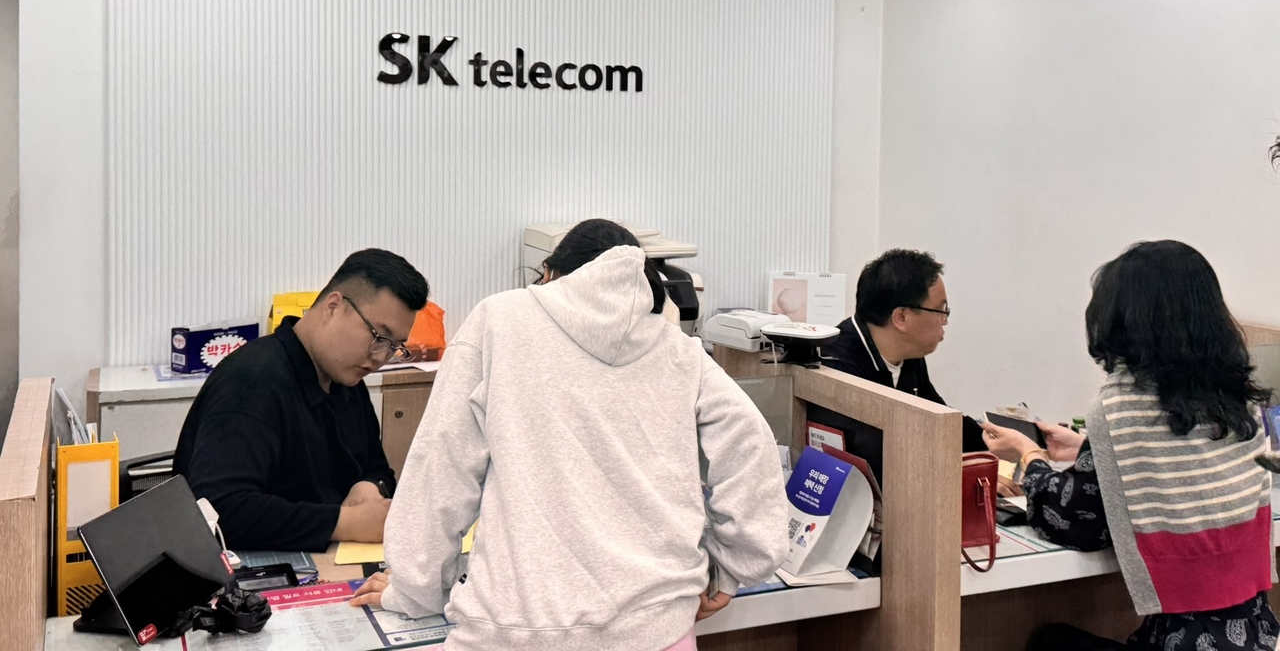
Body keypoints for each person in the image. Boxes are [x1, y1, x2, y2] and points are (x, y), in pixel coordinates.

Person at [350, 219, 789, 651]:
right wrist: (732, 565)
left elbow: (442, 469)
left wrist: (414, 588)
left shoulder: (499, 320)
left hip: (516, 630)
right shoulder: (678, 349)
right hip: (656, 628)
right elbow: (751, 443)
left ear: (551, 273)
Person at [983, 241, 1276, 651]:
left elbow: (1077, 522)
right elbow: (1181, 461)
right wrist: (1090, 447)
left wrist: (1030, 457)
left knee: (1051, 640)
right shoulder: (1237, 396)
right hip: (1257, 633)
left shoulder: (1122, 408)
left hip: (1179, 641)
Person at [174, 248, 429, 551]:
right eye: (378, 337)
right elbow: (220, 509)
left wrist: (370, 487)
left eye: (393, 347)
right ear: (333, 306)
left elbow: (378, 467)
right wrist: (345, 522)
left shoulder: (347, 378)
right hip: (249, 569)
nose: (380, 359)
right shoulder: (252, 381)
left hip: (328, 559)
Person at [808, 249, 987, 480]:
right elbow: (873, 458)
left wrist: (999, 441)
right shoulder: (836, 365)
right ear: (901, 317)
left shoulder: (909, 354)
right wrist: (961, 473)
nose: (945, 321)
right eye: (941, 310)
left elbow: (939, 422)